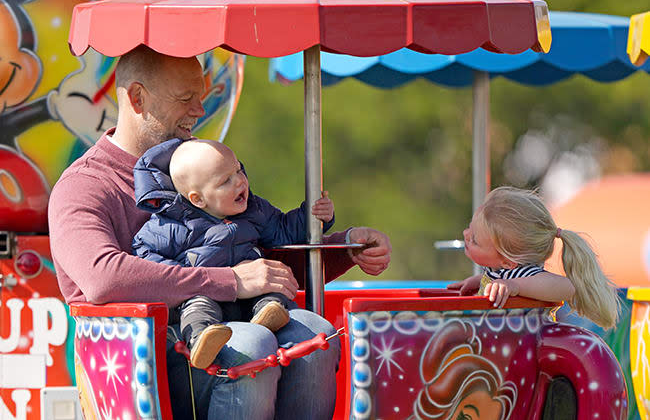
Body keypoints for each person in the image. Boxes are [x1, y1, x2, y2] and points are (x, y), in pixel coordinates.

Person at [48, 45, 392, 420]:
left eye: (202, 96)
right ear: (137, 98)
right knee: (252, 343)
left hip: (222, 329)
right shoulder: (84, 186)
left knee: (315, 335)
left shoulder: (200, 161)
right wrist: (228, 282)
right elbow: (103, 278)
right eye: (186, 98)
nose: (199, 110)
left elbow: (252, 257)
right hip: (147, 367)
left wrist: (342, 248)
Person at [132, 137, 336, 369]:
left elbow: (283, 230)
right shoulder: (171, 225)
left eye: (238, 169)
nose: (240, 181)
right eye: (225, 181)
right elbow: (145, 255)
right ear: (197, 199)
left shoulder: (254, 210)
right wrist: (187, 274)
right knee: (197, 306)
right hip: (206, 294)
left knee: (271, 288)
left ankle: (269, 316)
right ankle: (201, 340)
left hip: (252, 294)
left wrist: (313, 217)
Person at [447, 186, 619, 329]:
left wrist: (515, 286)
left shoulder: (523, 275)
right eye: (470, 228)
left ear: (508, 262)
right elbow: (499, 278)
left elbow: (568, 288)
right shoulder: (501, 270)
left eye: (475, 239)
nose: (465, 234)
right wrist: (479, 281)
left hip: (528, 348)